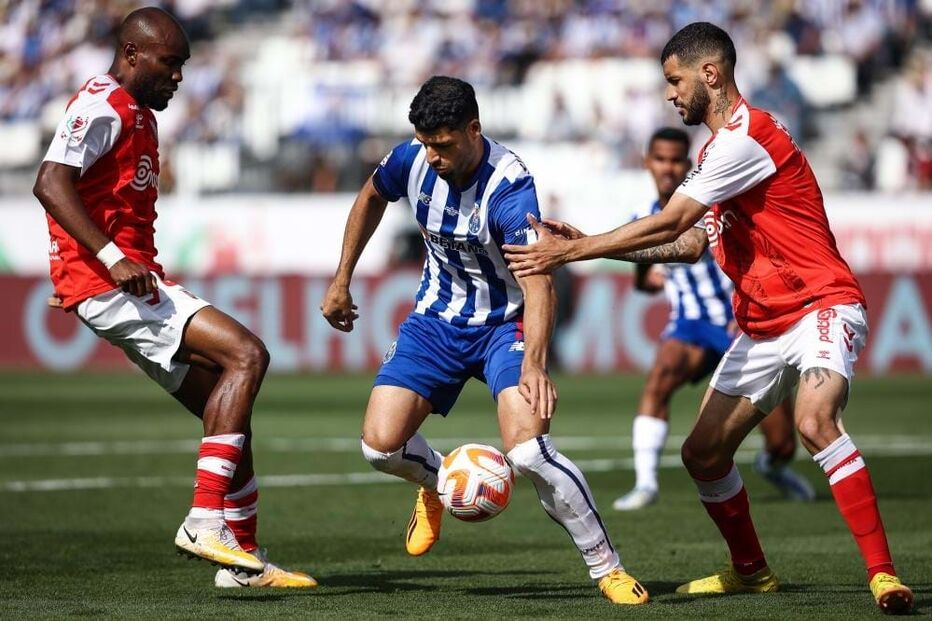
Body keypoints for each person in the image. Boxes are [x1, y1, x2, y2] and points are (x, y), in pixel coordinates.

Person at [503, 22, 913, 615]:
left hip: (820, 303)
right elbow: (690, 243)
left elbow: (670, 223)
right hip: (763, 324)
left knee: (816, 421)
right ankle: (751, 572)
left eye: (675, 81)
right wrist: (596, 240)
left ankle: (883, 575)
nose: (671, 95)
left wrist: (572, 251)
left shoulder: (745, 139)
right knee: (702, 454)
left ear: (709, 75)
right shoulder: (718, 153)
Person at [320, 76, 648, 605]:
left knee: (530, 453)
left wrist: (536, 364)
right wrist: (341, 279)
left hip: (506, 324)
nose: (433, 156)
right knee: (379, 447)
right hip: (437, 320)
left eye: (443, 145)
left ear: (474, 130)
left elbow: (538, 281)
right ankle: (436, 484)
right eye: (426, 143)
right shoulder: (412, 159)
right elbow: (370, 197)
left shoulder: (511, 191)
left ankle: (606, 567)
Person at [33, 7, 314, 589]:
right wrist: (111, 259)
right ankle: (204, 518)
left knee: (226, 411)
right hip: (110, 283)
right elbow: (49, 182)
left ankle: (245, 564)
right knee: (248, 355)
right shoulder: (101, 105)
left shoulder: (137, 113)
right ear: (133, 54)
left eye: (183, 65)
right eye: (170, 63)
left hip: (124, 283)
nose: (179, 77)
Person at [613, 127, 814, 511]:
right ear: (647, 163)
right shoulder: (643, 218)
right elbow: (641, 270)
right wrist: (648, 278)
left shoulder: (712, 205)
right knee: (660, 375)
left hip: (740, 324)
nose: (668, 168)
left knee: (784, 441)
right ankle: (646, 484)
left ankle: (772, 464)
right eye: (661, 159)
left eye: (676, 160)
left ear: (688, 164)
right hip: (692, 324)